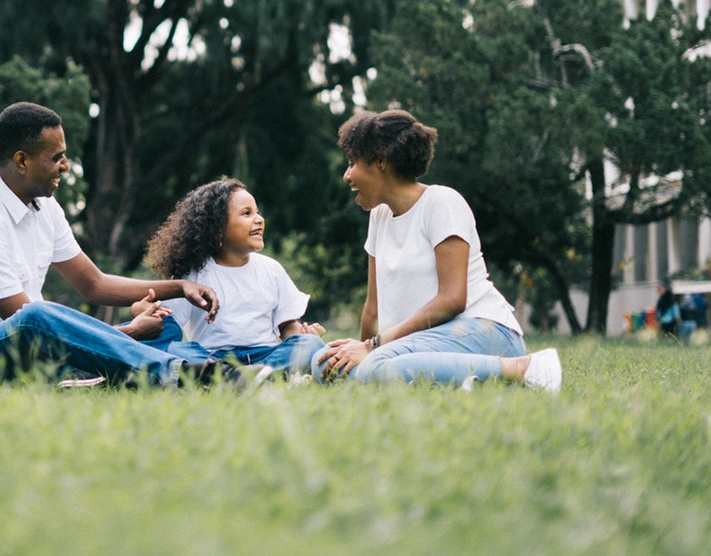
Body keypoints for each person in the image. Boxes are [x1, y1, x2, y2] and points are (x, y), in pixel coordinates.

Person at [0, 102, 233, 389]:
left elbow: (94, 284)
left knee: (163, 328)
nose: (66, 165)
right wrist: (131, 333)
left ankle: (94, 377)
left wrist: (180, 287)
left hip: (32, 352)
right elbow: (30, 328)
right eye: (56, 157)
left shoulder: (44, 206)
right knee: (35, 315)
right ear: (21, 161)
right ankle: (177, 373)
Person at [314, 109, 561, 392]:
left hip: (482, 330)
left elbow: (452, 299)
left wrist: (373, 348)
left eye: (351, 162)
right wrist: (357, 352)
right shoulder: (379, 217)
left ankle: (524, 367)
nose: (347, 175)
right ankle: (457, 380)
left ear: (380, 161)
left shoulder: (442, 203)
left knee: (377, 366)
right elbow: (373, 310)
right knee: (324, 365)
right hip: (417, 343)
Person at [143, 177, 327, 375]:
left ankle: (252, 375)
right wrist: (145, 310)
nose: (259, 219)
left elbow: (287, 325)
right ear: (216, 230)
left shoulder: (271, 269)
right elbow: (168, 324)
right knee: (176, 350)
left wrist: (300, 336)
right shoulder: (192, 273)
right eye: (246, 214)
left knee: (311, 344)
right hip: (212, 358)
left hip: (265, 354)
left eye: (257, 212)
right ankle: (237, 376)